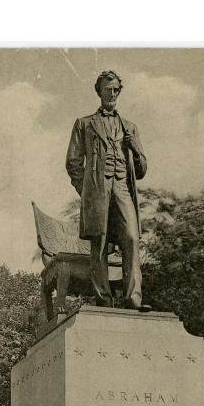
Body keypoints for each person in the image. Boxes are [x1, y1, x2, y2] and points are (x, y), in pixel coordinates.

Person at [65, 70, 151, 311]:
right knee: (100, 243)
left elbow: (142, 170)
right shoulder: (84, 124)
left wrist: (134, 148)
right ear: (99, 92)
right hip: (97, 191)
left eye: (116, 90)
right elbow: (73, 162)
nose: (112, 94)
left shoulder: (130, 127)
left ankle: (133, 299)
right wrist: (87, 192)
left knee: (132, 238)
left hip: (123, 188)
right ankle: (103, 298)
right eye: (108, 89)